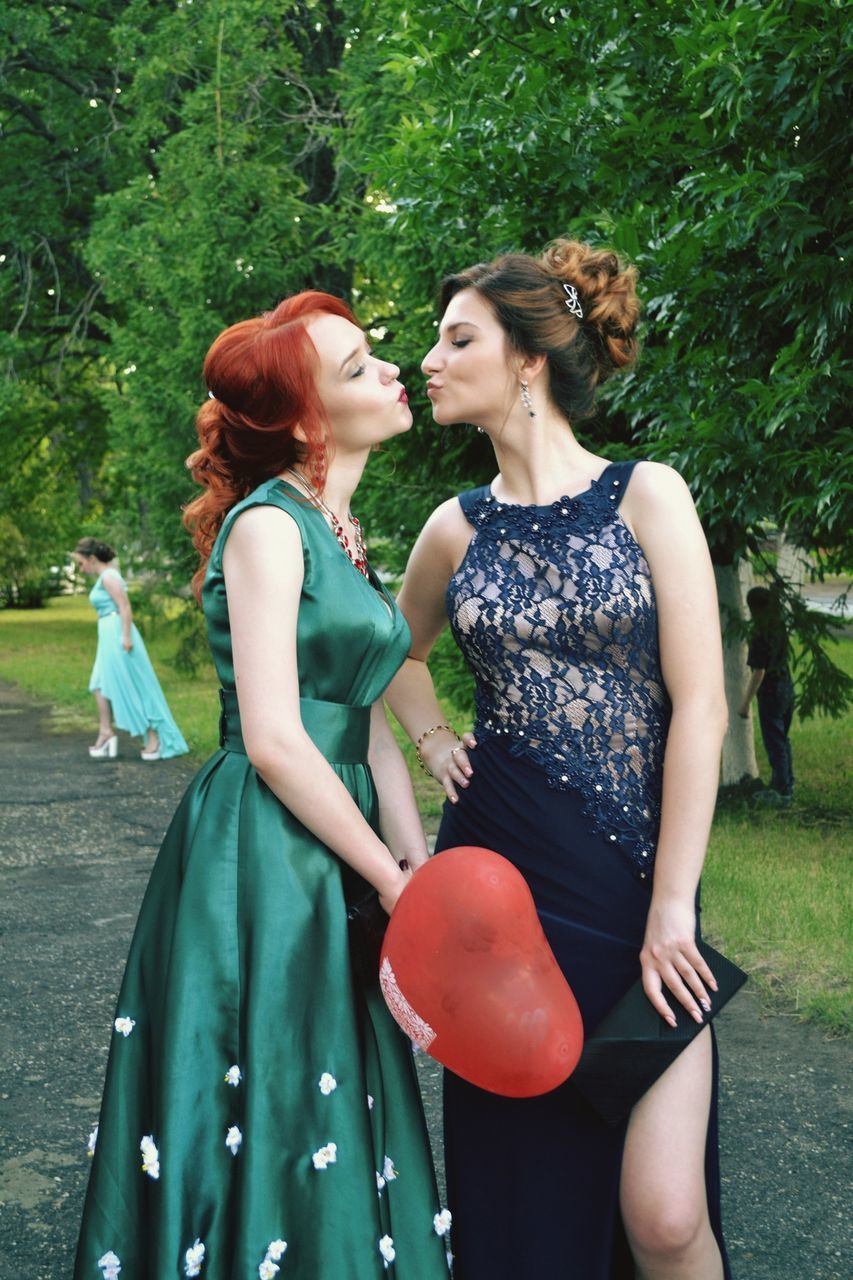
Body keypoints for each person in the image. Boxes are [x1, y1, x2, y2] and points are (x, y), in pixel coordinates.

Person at [74, 292, 451, 1279]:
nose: (391, 370)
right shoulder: (268, 528)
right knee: (274, 1074)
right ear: (304, 418)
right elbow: (281, 741)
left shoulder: (344, 529)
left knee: (339, 1068)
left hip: (340, 835)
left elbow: (364, 721)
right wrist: (388, 873)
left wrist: (415, 863)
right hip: (269, 846)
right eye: (360, 365)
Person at [386, 241, 731, 1279]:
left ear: (528, 358)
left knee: (665, 1215)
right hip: (498, 894)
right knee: (528, 1206)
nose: (430, 361)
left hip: (636, 890)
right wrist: (434, 734)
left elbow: (702, 705)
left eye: (457, 339)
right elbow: (393, 653)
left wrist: (674, 905)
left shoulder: (648, 493)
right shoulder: (454, 526)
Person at [74, 537, 189, 761]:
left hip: (117, 633)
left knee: (132, 684)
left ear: (92, 558)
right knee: (97, 684)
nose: (81, 568)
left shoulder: (109, 576)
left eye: (81, 563)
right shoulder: (104, 576)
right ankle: (106, 731)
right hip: (107, 633)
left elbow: (125, 607)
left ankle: (153, 737)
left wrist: (125, 636)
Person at [739, 585, 795, 802]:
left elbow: (758, 672)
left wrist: (745, 703)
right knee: (783, 739)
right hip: (787, 686)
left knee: (775, 742)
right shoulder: (780, 626)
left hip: (771, 692)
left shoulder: (760, 633)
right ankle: (787, 782)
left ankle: (781, 791)